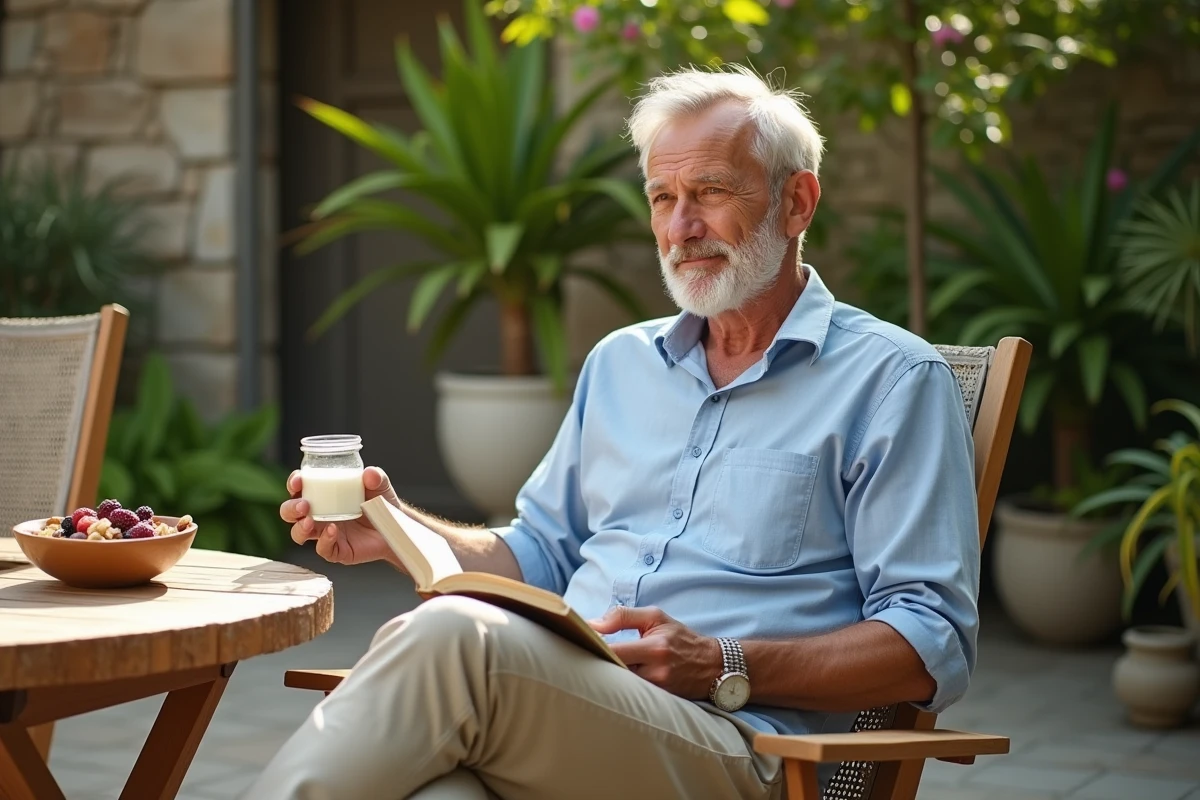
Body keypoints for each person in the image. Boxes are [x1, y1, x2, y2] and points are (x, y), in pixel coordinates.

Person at [244, 65, 979, 800]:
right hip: (576, 717)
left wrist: (727, 662)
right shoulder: (620, 363)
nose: (681, 227)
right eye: (664, 198)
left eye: (711, 192)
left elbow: (931, 640)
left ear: (797, 202)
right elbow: (539, 550)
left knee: (452, 638)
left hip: (743, 749)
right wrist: (398, 528)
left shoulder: (893, 382)